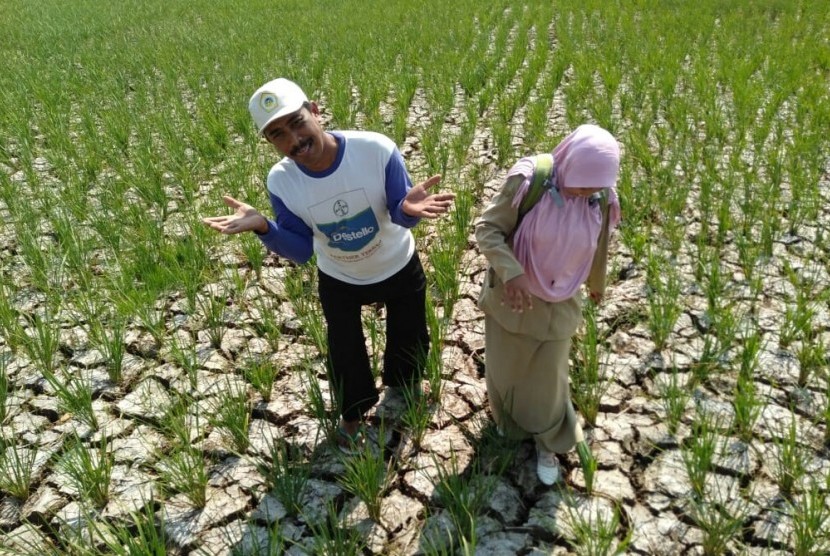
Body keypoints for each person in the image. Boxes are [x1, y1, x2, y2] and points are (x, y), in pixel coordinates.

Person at [203, 78, 454, 451]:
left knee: (410, 332)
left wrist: (408, 212)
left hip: (396, 263)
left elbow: (403, 213)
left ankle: (406, 387)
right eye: (278, 134)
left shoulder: (375, 150)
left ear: (315, 111)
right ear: (270, 143)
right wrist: (263, 227)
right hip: (340, 275)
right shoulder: (281, 181)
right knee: (344, 349)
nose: (294, 139)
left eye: (297, 122)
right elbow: (301, 249)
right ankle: (352, 415)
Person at [474, 124, 621, 485]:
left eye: (595, 187)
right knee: (506, 372)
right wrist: (512, 273)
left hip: (561, 299)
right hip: (514, 297)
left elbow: (599, 240)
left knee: (550, 379)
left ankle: (549, 442)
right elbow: (487, 229)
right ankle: (511, 429)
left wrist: (596, 283)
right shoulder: (530, 182)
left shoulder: (600, 195)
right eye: (583, 184)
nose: (587, 192)